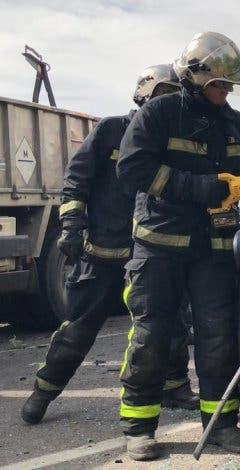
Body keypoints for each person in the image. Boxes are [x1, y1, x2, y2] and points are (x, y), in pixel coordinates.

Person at [115, 32, 240, 460]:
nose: (225, 92)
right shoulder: (159, 113)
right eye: (219, 84)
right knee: (152, 336)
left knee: (217, 337)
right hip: (160, 246)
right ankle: (139, 427)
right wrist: (199, 188)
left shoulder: (236, 123)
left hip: (214, 250)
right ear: (194, 77)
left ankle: (220, 424)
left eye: (229, 86)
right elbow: (133, 168)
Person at [21, 64, 198, 426]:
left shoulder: (174, 141)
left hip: (152, 255)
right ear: (143, 95)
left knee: (169, 323)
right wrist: (72, 225)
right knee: (79, 327)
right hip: (102, 254)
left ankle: (174, 387)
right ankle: (44, 390)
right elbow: (76, 180)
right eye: (162, 94)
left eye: (175, 96)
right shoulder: (112, 130)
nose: (168, 103)